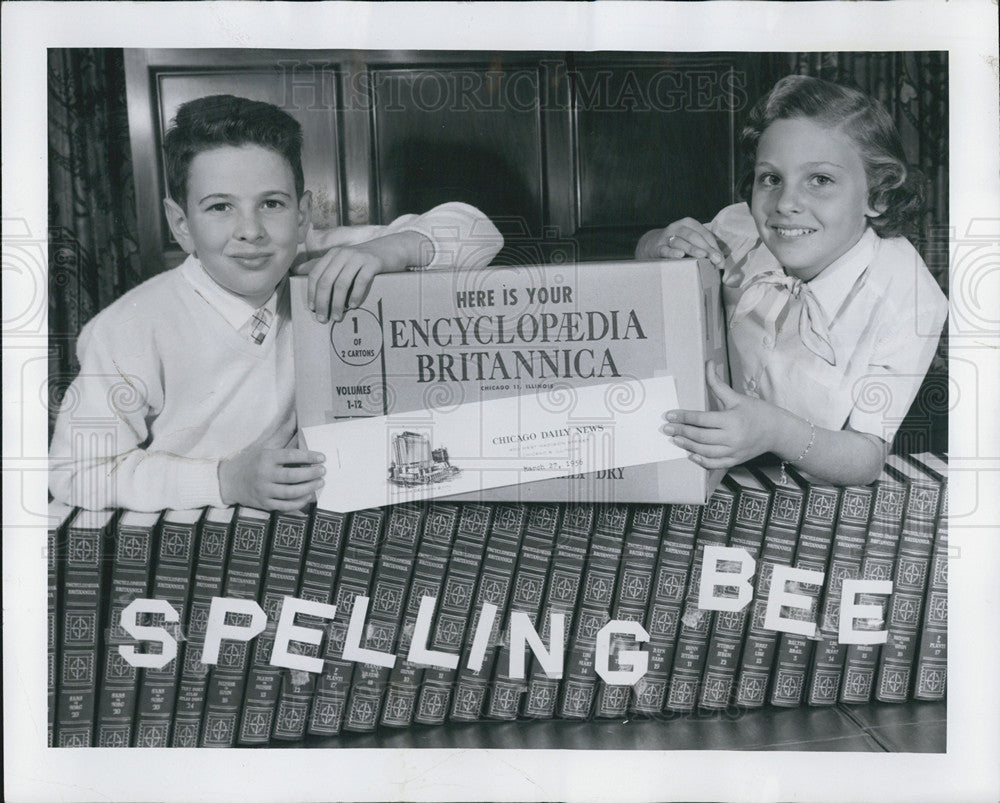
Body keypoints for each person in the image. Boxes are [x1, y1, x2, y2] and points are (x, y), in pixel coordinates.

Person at [49, 94, 503, 512]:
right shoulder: (131, 328)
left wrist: (389, 251)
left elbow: (481, 232)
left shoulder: (314, 261)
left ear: (303, 215)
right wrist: (222, 480)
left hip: (297, 533)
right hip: (180, 543)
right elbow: (74, 473)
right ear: (181, 223)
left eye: (271, 203)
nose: (252, 231)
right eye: (220, 207)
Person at [635, 75, 947, 486]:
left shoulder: (912, 301)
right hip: (703, 464)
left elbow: (866, 457)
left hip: (814, 488)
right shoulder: (737, 225)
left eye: (820, 180)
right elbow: (645, 249)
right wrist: (662, 243)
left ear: (879, 196)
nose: (785, 204)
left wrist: (777, 432)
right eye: (771, 178)